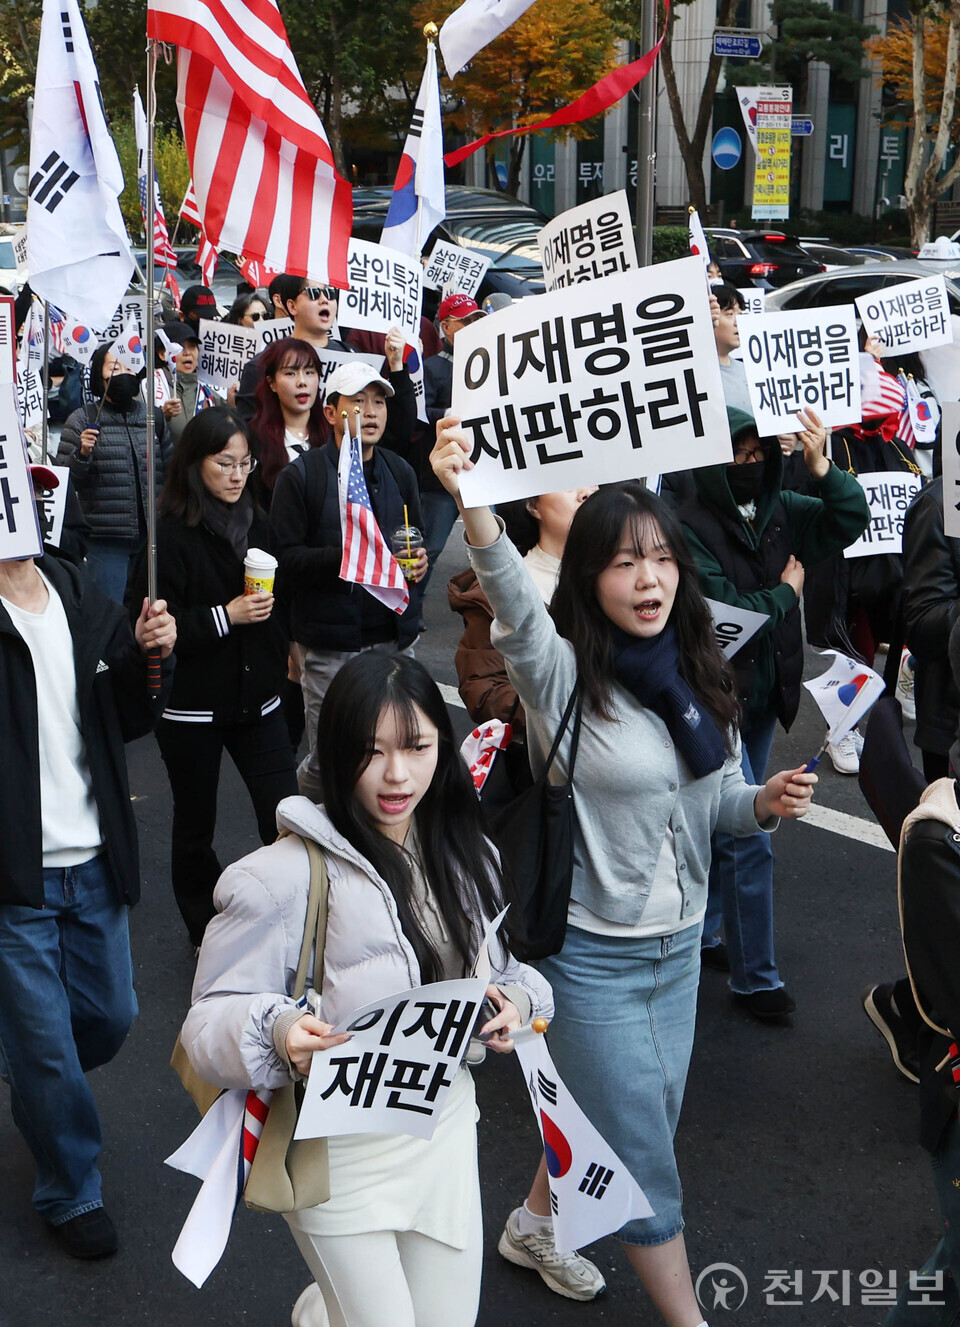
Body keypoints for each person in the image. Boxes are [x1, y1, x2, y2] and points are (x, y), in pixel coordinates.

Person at [431, 419, 817, 1327]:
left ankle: (534, 1223)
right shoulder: (558, 672)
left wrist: (762, 803)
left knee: (633, 1116)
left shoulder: (695, 670)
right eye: (623, 564)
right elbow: (514, 610)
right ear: (588, 578)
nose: (648, 580)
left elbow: (720, 795)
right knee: (645, 1153)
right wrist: (473, 503)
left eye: (661, 560)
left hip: (679, 951)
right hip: (591, 960)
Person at [180, 651, 553, 1327]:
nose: (396, 774)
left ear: (442, 743)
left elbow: (510, 978)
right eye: (371, 751)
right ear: (335, 753)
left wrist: (518, 1006)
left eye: (416, 746)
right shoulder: (279, 875)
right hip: (337, 1153)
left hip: (442, 1129)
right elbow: (204, 1025)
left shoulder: (470, 853)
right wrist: (276, 1031)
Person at [0, 547, 175, 1258]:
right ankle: (71, 1186)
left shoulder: (74, 589)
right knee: (44, 1048)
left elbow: (130, 714)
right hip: (15, 874)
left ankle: (34, 1061)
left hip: (94, 856)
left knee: (112, 1013)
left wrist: (147, 656)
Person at [677, 406, 870, 1018]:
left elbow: (848, 519)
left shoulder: (786, 508)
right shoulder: (687, 525)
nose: (749, 465)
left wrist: (821, 466)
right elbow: (727, 607)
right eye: (737, 454)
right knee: (742, 831)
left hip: (764, 697)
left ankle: (715, 938)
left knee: (732, 824)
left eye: (759, 455)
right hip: (710, 695)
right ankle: (755, 977)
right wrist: (786, 594)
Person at [133, 407, 297, 949]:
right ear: (194, 463)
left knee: (285, 816)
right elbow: (154, 622)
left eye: (246, 463)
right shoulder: (168, 533)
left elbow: (283, 598)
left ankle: (291, 917)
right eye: (224, 463)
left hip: (260, 699)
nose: (236, 475)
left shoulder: (259, 518)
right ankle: (204, 929)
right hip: (191, 708)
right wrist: (227, 616)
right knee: (195, 822)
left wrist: (285, 649)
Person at [270, 361, 427, 802]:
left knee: (395, 748)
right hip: (331, 644)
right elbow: (284, 560)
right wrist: (350, 558)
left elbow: (415, 543)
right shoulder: (302, 476)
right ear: (332, 413)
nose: (371, 411)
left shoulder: (400, 471)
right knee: (331, 757)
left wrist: (419, 565)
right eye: (358, 401)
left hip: (395, 639)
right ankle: (307, 835)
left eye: (378, 401)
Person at [57, 343, 171, 602]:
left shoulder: (153, 416)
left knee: (152, 608)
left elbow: (169, 468)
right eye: (114, 367)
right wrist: (82, 454)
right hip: (105, 540)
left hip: (152, 536)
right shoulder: (81, 419)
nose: (123, 373)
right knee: (111, 611)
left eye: (129, 365)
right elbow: (66, 482)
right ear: (100, 375)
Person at [419, 294, 486, 587]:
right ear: (445, 327)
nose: (473, 326)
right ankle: (411, 610)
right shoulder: (431, 368)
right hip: (440, 479)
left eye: (476, 320)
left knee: (491, 545)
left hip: (481, 471)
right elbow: (417, 414)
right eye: (465, 321)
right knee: (429, 548)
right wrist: (447, 414)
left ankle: (488, 614)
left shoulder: (489, 362)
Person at [235, 276, 350, 420]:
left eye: (331, 293)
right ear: (292, 306)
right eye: (313, 293)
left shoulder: (351, 358)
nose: (324, 300)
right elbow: (249, 431)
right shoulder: (263, 365)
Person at [249, 337, 327, 499]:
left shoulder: (335, 435)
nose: (302, 382)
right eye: (290, 373)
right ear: (272, 383)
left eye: (309, 372)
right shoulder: (253, 439)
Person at [154, 320, 226, 445]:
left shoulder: (209, 392)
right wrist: (161, 415)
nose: (188, 352)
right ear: (162, 354)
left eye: (192, 346)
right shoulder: (149, 387)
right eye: (180, 347)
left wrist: (232, 404)